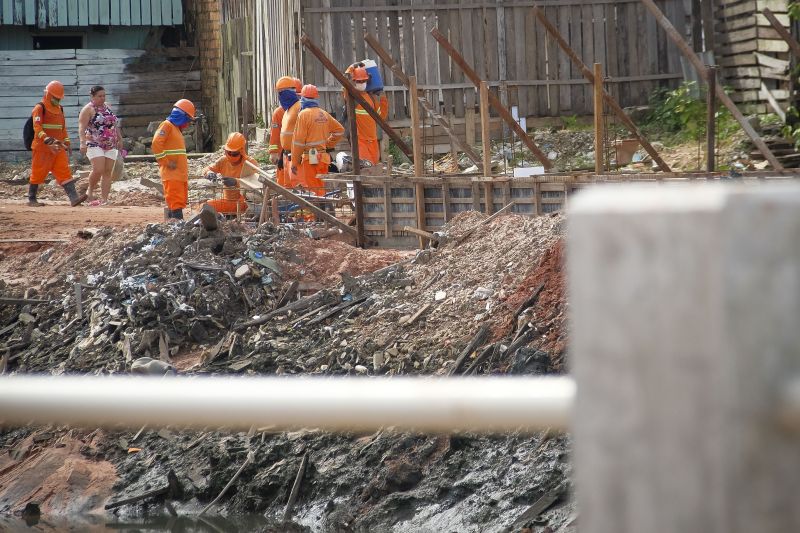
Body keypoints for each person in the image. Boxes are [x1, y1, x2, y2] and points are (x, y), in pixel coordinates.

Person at [27, 80, 87, 207]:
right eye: (55, 98)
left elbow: (62, 127)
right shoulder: (39, 108)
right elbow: (37, 127)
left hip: (58, 147)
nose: (57, 100)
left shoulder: (60, 109)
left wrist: (67, 142)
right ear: (48, 94)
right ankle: (31, 199)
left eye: (59, 98)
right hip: (42, 147)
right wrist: (46, 139)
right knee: (38, 172)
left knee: (64, 172)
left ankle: (74, 199)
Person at [291, 84, 344, 196]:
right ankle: (325, 209)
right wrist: (328, 144)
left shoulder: (303, 115)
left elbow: (298, 142)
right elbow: (340, 130)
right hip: (323, 158)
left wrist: (294, 163)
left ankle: (319, 212)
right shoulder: (323, 114)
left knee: (313, 188)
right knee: (320, 186)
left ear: (303, 98)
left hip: (310, 159)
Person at [78, 85, 122, 206]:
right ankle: (90, 190)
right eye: (99, 96)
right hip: (94, 142)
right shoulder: (88, 109)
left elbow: (114, 124)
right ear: (92, 96)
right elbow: (81, 128)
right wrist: (82, 142)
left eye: (104, 96)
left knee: (108, 172)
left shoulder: (108, 106)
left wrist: (120, 138)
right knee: (98, 169)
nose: (102, 98)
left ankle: (104, 199)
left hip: (110, 143)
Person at [152, 99, 194, 220]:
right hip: (172, 174)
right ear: (182, 116)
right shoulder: (167, 125)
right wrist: (166, 161)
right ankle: (178, 228)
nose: (188, 124)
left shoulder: (176, 129)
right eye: (188, 120)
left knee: (178, 202)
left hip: (179, 174)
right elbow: (156, 143)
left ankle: (174, 225)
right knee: (175, 203)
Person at [202, 132, 258, 216]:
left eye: (234, 153)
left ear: (241, 150)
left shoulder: (250, 163)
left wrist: (236, 182)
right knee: (206, 206)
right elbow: (206, 169)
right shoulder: (223, 161)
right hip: (228, 201)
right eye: (229, 152)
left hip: (245, 202)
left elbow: (255, 185)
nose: (231, 155)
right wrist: (209, 173)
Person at [345, 64, 388, 165]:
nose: (362, 83)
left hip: (373, 140)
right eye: (359, 81)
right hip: (360, 140)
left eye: (364, 81)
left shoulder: (371, 98)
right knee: (365, 167)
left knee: (374, 166)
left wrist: (383, 99)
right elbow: (345, 83)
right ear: (354, 82)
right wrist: (351, 68)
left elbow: (381, 117)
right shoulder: (352, 96)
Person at [268, 77, 301, 187]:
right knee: (285, 182)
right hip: (286, 153)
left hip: (297, 152)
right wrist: (274, 152)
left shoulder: (302, 110)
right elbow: (275, 133)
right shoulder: (280, 112)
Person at [277, 76, 303, 189]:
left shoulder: (300, 107)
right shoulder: (288, 110)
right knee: (288, 189)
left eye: (282, 93)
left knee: (299, 188)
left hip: (296, 156)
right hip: (287, 156)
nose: (280, 96)